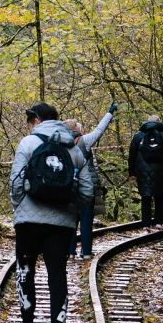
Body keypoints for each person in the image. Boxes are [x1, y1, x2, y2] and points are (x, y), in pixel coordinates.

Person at [8, 102, 92, 323]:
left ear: (36, 119)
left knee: (25, 270)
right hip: (62, 223)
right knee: (57, 274)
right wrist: (70, 208)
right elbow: (87, 191)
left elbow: (16, 182)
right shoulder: (74, 149)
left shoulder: (28, 143)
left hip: (28, 222)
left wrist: (20, 206)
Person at [65, 101, 118, 261]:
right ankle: (86, 252)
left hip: (68, 188)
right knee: (86, 221)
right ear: (76, 129)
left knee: (70, 221)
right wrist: (109, 113)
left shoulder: (58, 144)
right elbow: (99, 130)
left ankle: (70, 252)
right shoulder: (84, 141)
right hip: (86, 187)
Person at [129, 114, 163, 224]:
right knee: (159, 197)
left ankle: (145, 224)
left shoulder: (138, 136)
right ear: (159, 122)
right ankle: (158, 223)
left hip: (143, 172)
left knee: (145, 197)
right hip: (161, 172)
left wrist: (131, 173)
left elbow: (132, 155)